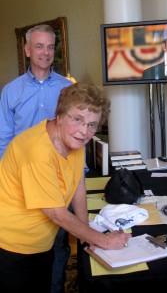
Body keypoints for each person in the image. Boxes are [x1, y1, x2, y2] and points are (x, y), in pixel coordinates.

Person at [0, 82, 131, 293]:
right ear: (59, 116)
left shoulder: (73, 141)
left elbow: (78, 183)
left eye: (92, 124)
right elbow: (57, 213)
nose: (84, 131)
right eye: (77, 119)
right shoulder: (37, 152)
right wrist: (103, 240)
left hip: (41, 241)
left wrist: (85, 232)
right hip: (14, 247)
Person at [0, 24, 73, 293]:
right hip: (20, 183)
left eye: (51, 46)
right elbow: (3, 139)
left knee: (58, 243)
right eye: (39, 46)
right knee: (21, 247)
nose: (45, 52)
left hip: (58, 179)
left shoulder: (68, 90)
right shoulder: (11, 91)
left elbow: (76, 136)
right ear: (28, 50)